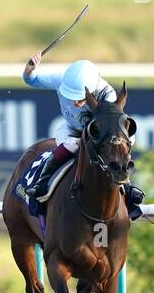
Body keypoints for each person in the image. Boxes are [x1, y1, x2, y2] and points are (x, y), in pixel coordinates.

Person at [23, 54, 144, 219]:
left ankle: (127, 186)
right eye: (71, 95)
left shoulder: (107, 94)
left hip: (99, 133)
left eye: (79, 98)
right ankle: (41, 184)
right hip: (71, 129)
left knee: (124, 141)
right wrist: (30, 68)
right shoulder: (61, 79)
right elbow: (31, 80)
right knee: (72, 144)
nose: (74, 102)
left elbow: (112, 127)